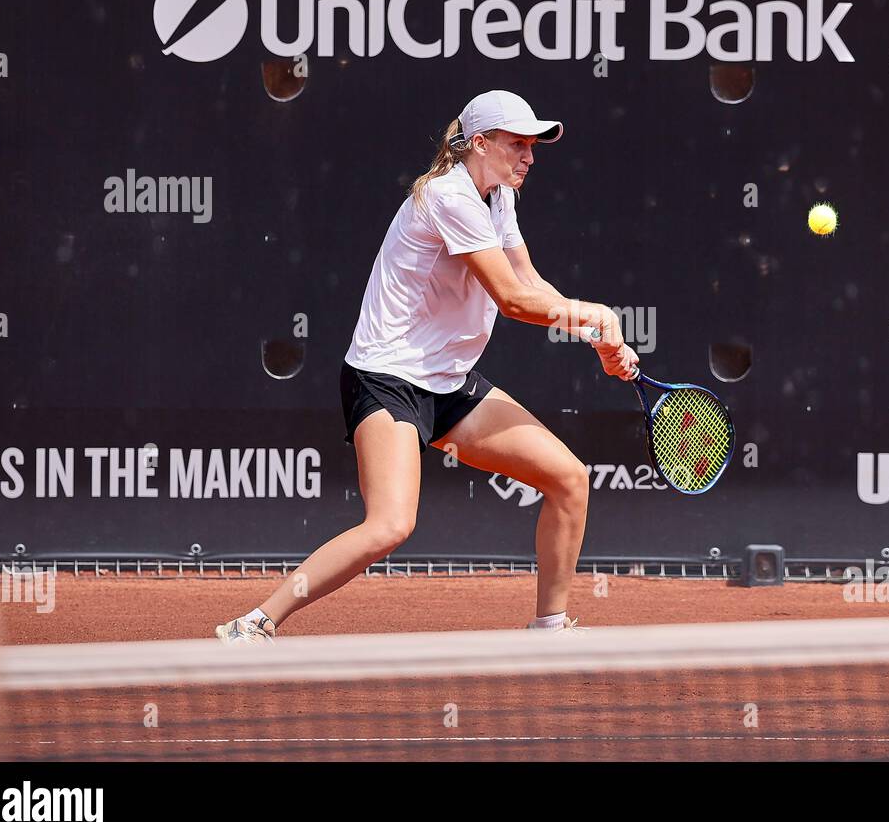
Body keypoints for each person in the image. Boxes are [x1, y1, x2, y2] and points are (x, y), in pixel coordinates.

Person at [217, 90, 637, 644]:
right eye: (518, 145)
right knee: (390, 525)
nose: (529, 157)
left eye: (533, 147)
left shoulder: (498, 196)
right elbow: (511, 300)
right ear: (479, 144)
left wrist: (595, 334)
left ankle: (549, 627)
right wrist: (599, 315)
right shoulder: (448, 196)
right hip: (387, 379)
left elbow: (530, 282)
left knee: (568, 479)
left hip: (450, 383)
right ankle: (256, 622)